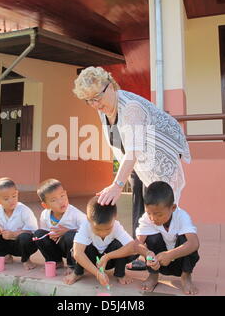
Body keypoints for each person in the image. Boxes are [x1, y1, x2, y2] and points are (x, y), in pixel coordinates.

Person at [73, 66, 191, 270]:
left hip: (159, 160)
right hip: (139, 162)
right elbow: (119, 144)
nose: (95, 104)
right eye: (89, 100)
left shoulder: (131, 108)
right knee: (140, 208)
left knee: (161, 210)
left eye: (97, 97)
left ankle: (176, 260)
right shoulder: (105, 110)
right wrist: (121, 179)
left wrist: (116, 185)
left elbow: (132, 151)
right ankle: (143, 254)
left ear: (110, 85)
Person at [135, 181, 200, 295]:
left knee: (186, 240)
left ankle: (186, 277)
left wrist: (170, 255)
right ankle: (153, 275)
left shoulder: (182, 216)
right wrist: (147, 253)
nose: (153, 218)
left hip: (180, 262)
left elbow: (194, 243)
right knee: (152, 238)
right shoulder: (147, 218)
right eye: (149, 213)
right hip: (158, 263)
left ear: (173, 208)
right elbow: (136, 244)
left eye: (159, 214)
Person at [63, 196, 137, 287]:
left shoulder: (116, 226)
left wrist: (108, 256)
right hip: (93, 260)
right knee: (76, 249)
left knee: (120, 245)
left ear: (115, 219)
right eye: (97, 229)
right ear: (88, 220)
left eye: (108, 229)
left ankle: (120, 274)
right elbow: (78, 254)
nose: (103, 233)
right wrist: (97, 273)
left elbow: (133, 247)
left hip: (109, 262)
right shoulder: (85, 226)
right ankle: (77, 273)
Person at [0, 178, 39, 270]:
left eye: (14, 196)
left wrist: (14, 234)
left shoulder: (24, 210)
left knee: (25, 237)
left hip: (21, 245)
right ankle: (4, 256)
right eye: (6, 199)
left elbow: (33, 231)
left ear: (17, 193)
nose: (11, 200)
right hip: (5, 244)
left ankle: (26, 259)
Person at [34, 179, 87, 272]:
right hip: (57, 246)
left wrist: (67, 231)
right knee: (39, 234)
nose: (61, 201)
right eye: (54, 200)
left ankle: (72, 265)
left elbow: (89, 231)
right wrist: (50, 234)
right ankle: (55, 261)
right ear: (45, 205)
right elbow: (45, 232)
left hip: (74, 249)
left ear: (66, 193)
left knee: (69, 236)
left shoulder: (75, 214)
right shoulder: (45, 215)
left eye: (62, 196)